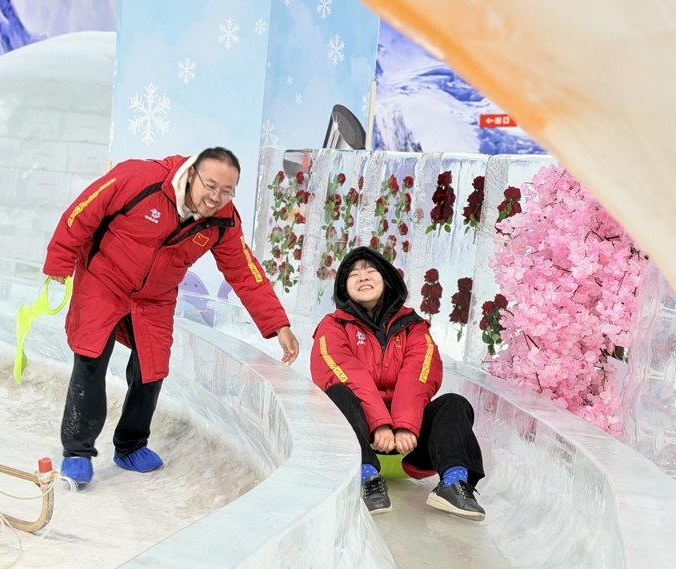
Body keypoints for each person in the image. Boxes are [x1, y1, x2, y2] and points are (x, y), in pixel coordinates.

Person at [43, 147, 299, 485]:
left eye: (226, 191)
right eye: (210, 186)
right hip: (104, 278)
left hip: (155, 296)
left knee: (152, 367)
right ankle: (77, 451)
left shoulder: (223, 221)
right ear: (192, 175)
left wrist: (278, 324)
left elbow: (244, 270)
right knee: (91, 356)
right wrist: (60, 261)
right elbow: (83, 210)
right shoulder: (140, 178)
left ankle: (131, 445)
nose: (216, 198)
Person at [309, 246, 485, 520]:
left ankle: (453, 482)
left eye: (370, 271)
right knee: (338, 393)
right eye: (353, 274)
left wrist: (404, 425)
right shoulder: (333, 326)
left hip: (408, 445)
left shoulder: (413, 326)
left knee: (454, 404)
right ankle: (365, 478)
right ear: (344, 288)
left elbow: (419, 373)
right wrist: (379, 423)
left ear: (387, 279)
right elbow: (344, 372)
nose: (362, 277)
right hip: (362, 439)